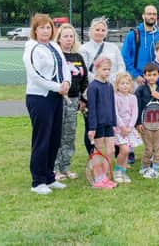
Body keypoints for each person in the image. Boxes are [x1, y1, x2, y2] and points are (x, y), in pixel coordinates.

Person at [23, 14, 72, 195]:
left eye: (49, 27)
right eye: (42, 27)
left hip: (56, 97)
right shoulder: (31, 48)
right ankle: (38, 181)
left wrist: (66, 83)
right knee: (42, 139)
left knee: (54, 138)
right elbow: (35, 76)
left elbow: (64, 68)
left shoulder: (54, 46)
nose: (46, 30)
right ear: (35, 30)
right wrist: (57, 87)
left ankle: (49, 177)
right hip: (39, 98)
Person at [80, 16, 125, 155]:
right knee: (92, 124)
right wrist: (100, 79)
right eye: (97, 29)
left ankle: (114, 154)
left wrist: (112, 80)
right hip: (93, 90)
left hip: (111, 90)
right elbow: (85, 71)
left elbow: (121, 66)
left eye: (102, 29)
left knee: (111, 123)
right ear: (90, 31)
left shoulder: (113, 47)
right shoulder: (84, 49)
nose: (100, 32)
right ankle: (93, 155)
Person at [54, 23, 88, 182]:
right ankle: (54, 168)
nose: (68, 39)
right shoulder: (56, 56)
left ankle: (65, 167)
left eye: (71, 36)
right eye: (65, 36)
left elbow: (84, 79)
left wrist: (83, 99)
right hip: (58, 99)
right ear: (59, 39)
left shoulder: (78, 57)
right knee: (57, 134)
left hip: (74, 100)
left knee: (69, 134)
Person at [86, 57, 118, 189]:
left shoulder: (109, 86)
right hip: (97, 125)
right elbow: (92, 109)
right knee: (98, 152)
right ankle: (99, 179)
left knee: (110, 151)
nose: (107, 72)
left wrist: (114, 122)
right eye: (104, 69)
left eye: (109, 69)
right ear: (96, 69)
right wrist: (92, 128)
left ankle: (104, 176)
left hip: (109, 123)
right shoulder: (93, 87)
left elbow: (112, 105)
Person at [135, 62, 159, 179]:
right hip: (146, 124)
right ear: (144, 76)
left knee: (158, 147)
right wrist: (138, 123)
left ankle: (155, 168)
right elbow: (137, 107)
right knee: (149, 148)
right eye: (149, 75)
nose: (151, 77)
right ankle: (144, 167)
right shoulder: (140, 90)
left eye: (154, 75)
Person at [121, 5, 159, 86]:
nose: (152, 16)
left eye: (154, 14)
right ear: (143, 16)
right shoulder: (133, 35)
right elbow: (125, 57)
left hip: (156, 79)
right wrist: (135, 75)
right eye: (149, 14)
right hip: (138, 80)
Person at [113, 72, 141, 183]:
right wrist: (122, 127)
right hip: (119, 128)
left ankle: (123, 172)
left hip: (129, 128)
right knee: (123, 149)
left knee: (127, 151)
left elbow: (135, 113)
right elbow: (115, 113)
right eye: (122, 83)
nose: (125, 85)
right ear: (117, 85)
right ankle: (117, 171)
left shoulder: (133, 97)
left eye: (127, 83)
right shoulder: (115, 97)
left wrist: (130, 127)